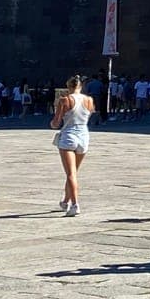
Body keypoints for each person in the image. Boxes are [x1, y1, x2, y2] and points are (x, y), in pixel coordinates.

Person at [49, 74, 96, 216]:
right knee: (74, 172)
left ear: (68, 86)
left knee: (70, 173)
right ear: (81, 86)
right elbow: (89, 114)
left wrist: (52, 123)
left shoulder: (65, 100)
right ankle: (65, 201)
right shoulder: (89, 100)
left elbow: (56, 123)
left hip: (69, 136)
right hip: (84, 136)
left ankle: (75, 204)